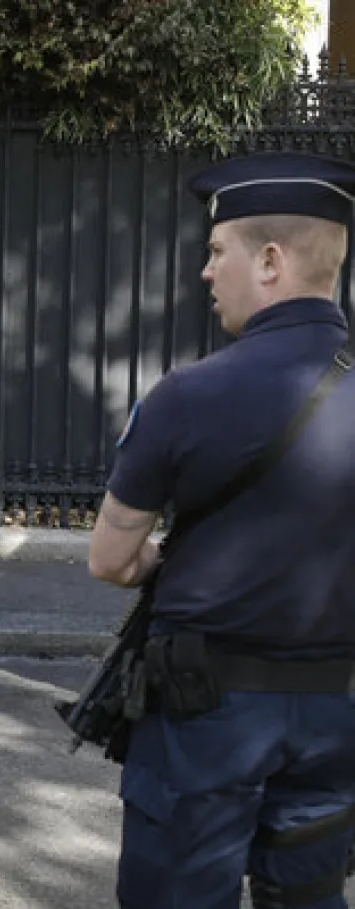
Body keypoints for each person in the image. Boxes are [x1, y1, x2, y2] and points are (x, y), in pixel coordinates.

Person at [88, 151, 355, 909]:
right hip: (337, 712)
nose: (206, 272)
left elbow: (108, 560)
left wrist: (157, 559)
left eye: (216, 252)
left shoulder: (187, 396)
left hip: (204, 718)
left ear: (269, 261)